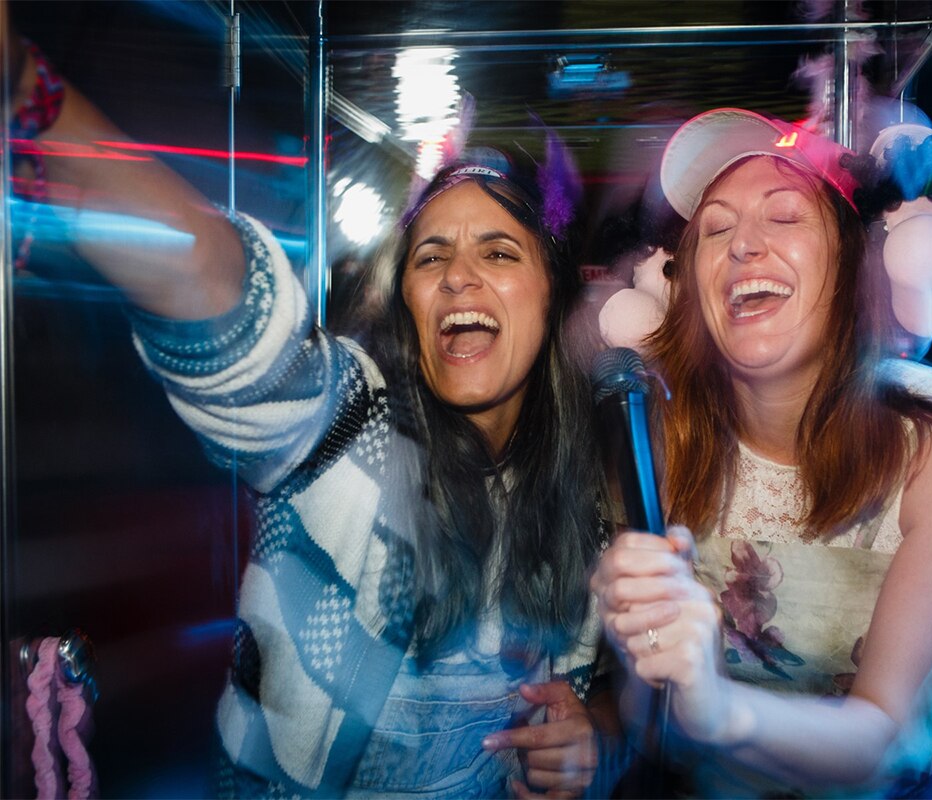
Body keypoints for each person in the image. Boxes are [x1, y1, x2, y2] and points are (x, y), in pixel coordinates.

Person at [7, 30, 619, 799]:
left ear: (553, 294)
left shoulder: (587, 499)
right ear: (408, 305)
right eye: (431, 257)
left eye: (499, 252)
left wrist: (586, 738)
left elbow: (604, 698)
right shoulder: (350, 429)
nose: (459, 275)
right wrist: (29, 93)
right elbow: (212, 288)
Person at [591, 108, 932, 798]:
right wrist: (625, 686)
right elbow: (652, 722)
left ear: (853, 265)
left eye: (785, 216)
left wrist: (720, 709)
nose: (742, 246)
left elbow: (887, 738)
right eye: (715, 229)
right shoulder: (655, 442)